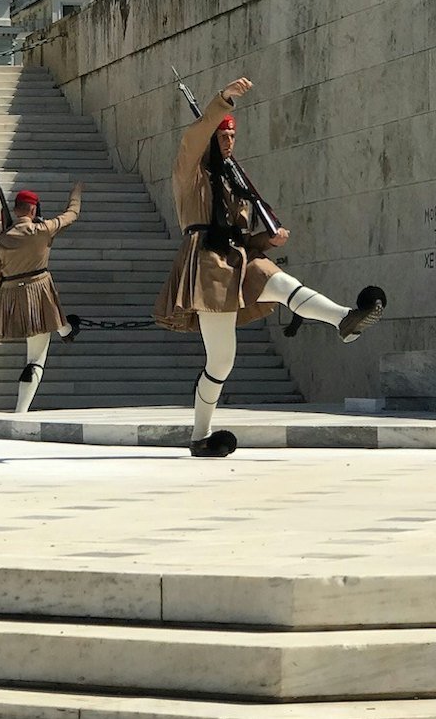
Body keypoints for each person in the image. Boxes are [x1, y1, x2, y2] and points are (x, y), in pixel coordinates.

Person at [155, 77, 388, 458]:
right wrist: (223, 100)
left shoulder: (235, 186)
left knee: (279, 281)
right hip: (208, 264)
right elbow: (195, 136)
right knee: (221, 360)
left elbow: (244, 238)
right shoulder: (190, 173)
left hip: (238, 258)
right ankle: (200, 435)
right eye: (224, 136)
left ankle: (344, 320)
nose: (230, 142)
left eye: (233, 137)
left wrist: (268, 241)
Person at [0, 183, 83, 414]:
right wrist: (76, 194)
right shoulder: (42, 230)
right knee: (35, 360)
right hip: (38, 293)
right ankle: (21, 411)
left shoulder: (2, 239)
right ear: (32, 210)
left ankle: (66, 329)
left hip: (12, 297)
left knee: (33, 357)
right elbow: (71, 215)